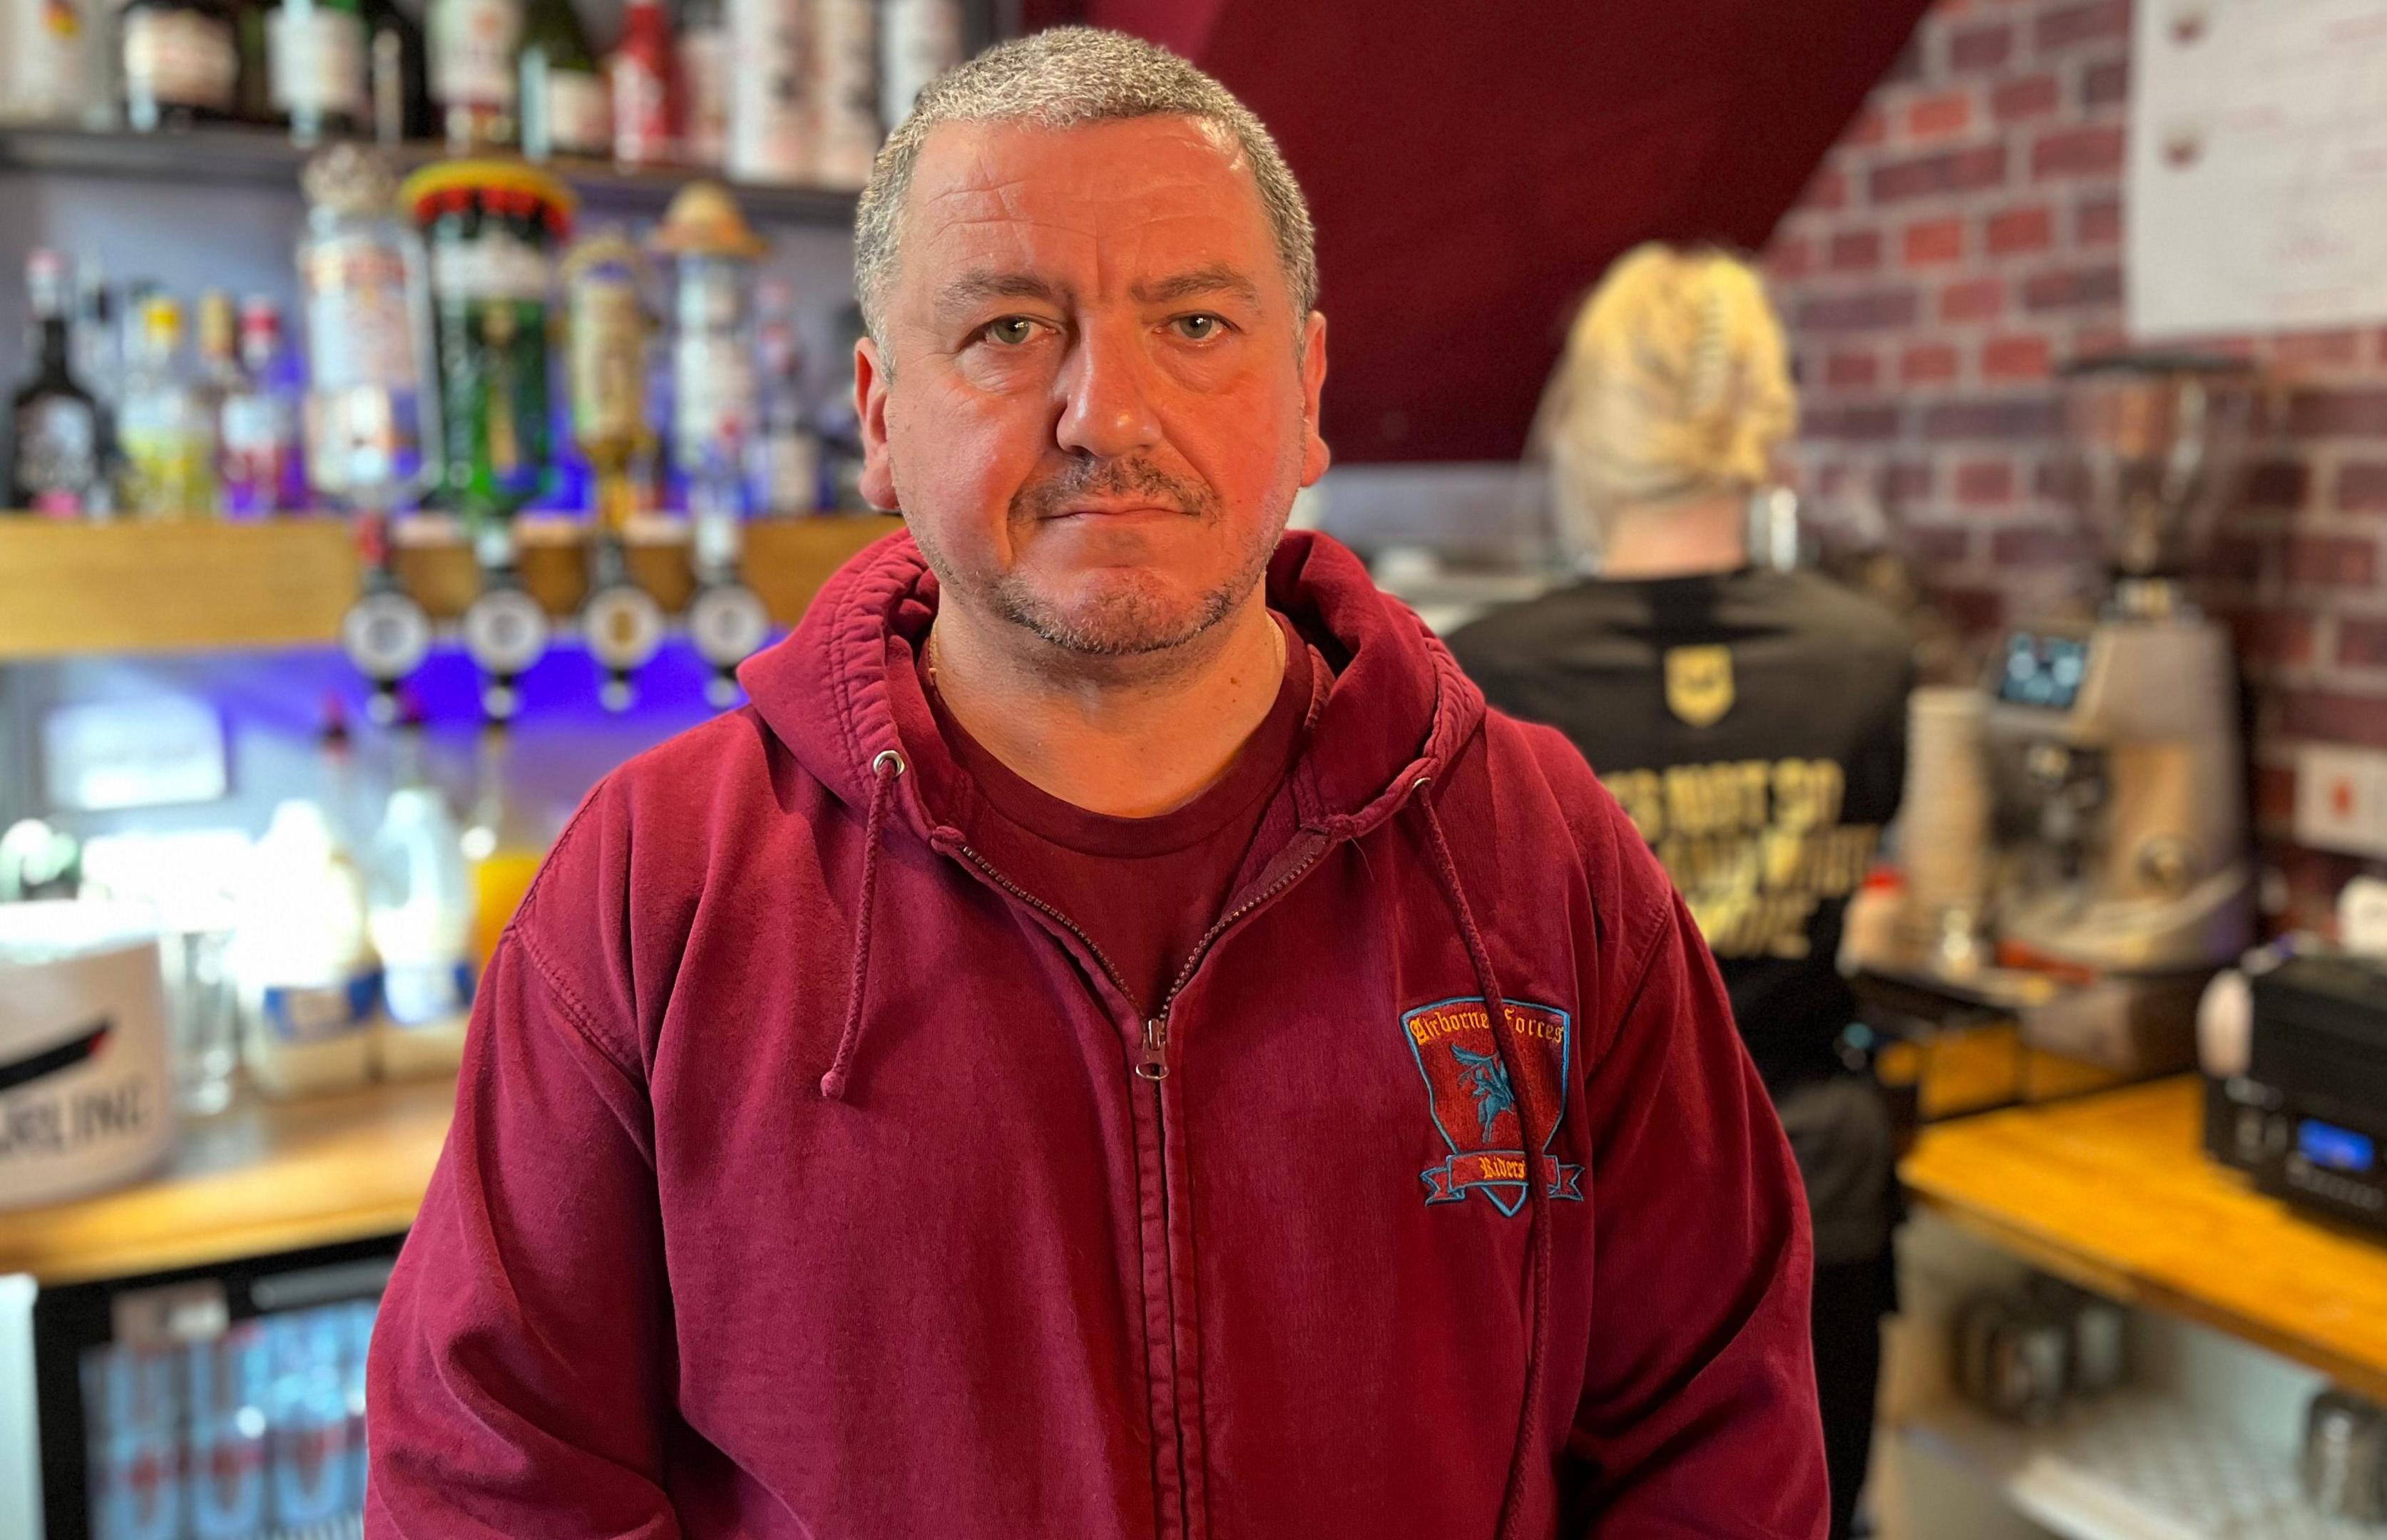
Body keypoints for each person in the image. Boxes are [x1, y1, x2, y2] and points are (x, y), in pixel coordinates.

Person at [365, 29, 1830, 1539]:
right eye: (1007, 328)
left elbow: (1718, 1441)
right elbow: (490, 1482)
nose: (1108, 413)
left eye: (1195, 322)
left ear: (1310, 388)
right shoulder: (653, 881)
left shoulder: (1543, 850)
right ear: (878, 416)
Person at [1449, 245, 1915, 1540]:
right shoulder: (1869, 658)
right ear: (1765, 418)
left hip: (1584, 1212)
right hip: (1813, 1182)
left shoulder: (1489, 670)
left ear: (1586, 425)